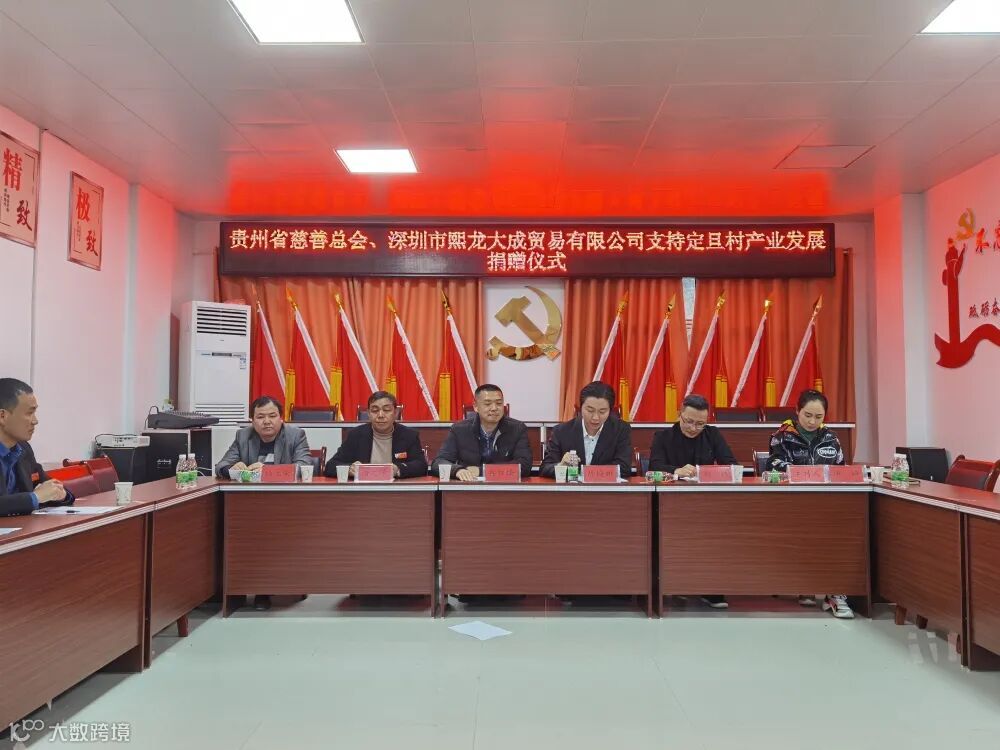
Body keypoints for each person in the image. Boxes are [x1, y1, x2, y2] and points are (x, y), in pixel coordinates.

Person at [215, 395, 312, 611]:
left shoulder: (296, 434)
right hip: (249, 504)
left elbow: (303, 467)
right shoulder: (243, 436)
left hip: (286, 504)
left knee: (265, 527)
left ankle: (262, 589)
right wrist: (231, 469)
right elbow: (220, 465)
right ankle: (236, 587)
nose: (266, 421)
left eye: (272, 416)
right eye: (260, 417)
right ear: (252, 420)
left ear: (281, 418)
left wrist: (267, 471)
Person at [766, 388, 853, 620]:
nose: (812, 421)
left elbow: (841, 469)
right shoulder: (782, 436)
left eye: (818, 417)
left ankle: (835, 592)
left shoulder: (831, 438)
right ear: (797, 411)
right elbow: (774, 464)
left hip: (827, 502)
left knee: (841, 532)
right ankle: (806, 584)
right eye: (807, 415)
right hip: (793, 502)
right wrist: (805, 473)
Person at [649, 393, 736, 609]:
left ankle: (711, 588)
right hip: (670, 504)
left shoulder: (712, 434)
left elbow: (731, 465)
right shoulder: (663, 437)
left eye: (700, 424)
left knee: (717, 531)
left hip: (704, 504)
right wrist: (676, 471)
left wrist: (706, 472)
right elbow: (654, 467)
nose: (693, 428)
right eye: (688, 421)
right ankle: (674, 583)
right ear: (679, 414)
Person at [0, 378, 76, 517]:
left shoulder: (23, 449)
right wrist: (35, 497)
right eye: (29, 413)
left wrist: (62, 494)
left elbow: (48, 486)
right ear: (2, 416)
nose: (35, 421)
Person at [432, 384, 532, 481]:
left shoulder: (517, 429)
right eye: (488, 404)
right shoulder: (459, 430)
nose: (494, 408)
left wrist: (481, 471)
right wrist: (457, 470)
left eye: (499, 403)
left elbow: (524, 465)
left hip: (503, 487)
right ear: (476, 407)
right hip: (469, 487)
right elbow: (439, 462)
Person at [540, 381, 632, 480]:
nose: (595, 417)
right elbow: (545, 468)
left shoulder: (621, 430)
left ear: (610, 410)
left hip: (605, 489)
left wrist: (585, 473)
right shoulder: (561, 431)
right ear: (580, 408)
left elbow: (624, 468)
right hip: (572, 489)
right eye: (590, 410)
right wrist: (561, 467)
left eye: (602, 411)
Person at [325, 391, 427, 479]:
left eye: (386, 410)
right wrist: (349, 469)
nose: (380, 415)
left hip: (396, 490)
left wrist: (398, 469)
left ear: (395, 413)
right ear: (369, 414)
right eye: (375, 410)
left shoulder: (409, 435)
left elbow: (421, 466)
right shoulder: (356, 435)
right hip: (363, 490)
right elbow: (330, 466)